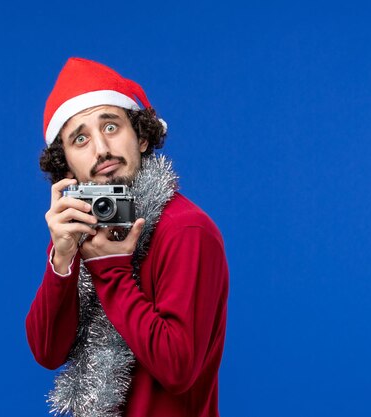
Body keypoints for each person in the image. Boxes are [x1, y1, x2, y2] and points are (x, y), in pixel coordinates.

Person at [26, 57, 229, 417]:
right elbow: (47, 352)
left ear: (143, 136)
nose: (100, 149)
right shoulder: (81, 227)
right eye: (80, 138)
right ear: (67, 164)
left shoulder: (187, 230)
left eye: (111, 126)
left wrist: (111, 271)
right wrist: (61, 261)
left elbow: (178, 369)